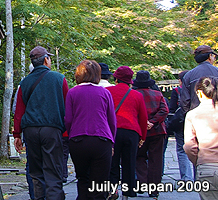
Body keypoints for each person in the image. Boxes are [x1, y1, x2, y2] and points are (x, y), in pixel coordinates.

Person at [13, 46, 69, 200]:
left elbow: (19, 110)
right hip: (52, 130)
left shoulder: (25, 82)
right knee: (53, 170)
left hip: (30, 130)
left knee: (36, 171)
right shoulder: (59, 79)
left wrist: (17, 134)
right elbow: (67, 107)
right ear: (46, 60)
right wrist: (67, 131)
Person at [65, 60, 116, 200]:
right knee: (99, 184)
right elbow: (111, 120)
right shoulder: (104, 93)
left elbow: (68, 119)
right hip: (101, 139)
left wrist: (72, 134)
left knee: (82, 179)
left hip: (78, 140)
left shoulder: (72, 92)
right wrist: (112, 142)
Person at [106, 66, 148, 199]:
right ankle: (127, 193)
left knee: (112, 163)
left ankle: (112, 189)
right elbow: (143, 117)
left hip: (112, 131)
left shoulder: (107, 92)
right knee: (129, 163)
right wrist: (143, 136)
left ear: (116, 78)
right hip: (131, 132)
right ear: (130, 80)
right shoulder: (137, 95)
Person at [132, 70, 169, 199]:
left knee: (138, 157)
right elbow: (165, 110)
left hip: (139, 132)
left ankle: (143, 183)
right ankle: (154, 189)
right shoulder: (158, 94)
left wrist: (143, 123)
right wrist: (152, 122)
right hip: (157, 131)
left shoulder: (133, 95)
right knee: (156, 160)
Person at [184, 76, 218, 200]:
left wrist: (198, 162)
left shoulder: (193, 115)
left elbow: (189, 147)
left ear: (199, 92)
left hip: (208, 167)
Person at [168, 71, 193, 181]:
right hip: (194, 122)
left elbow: (172, 109)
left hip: (180, 123)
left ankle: (186, 178)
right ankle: (198, 178)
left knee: (181, 149)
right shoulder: (196, 91)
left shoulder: (177, 91)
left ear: (180, 80)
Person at [180, 45, 218, 113]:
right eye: (213, 56)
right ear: (209, 56)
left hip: (197, 116)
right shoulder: (216, 71)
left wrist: (189, 116)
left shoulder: (188, 75)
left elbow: (185, 102)